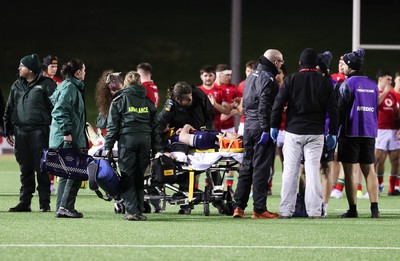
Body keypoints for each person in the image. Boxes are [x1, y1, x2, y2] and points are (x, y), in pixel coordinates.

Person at [270, 48, 339, 218]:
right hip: (316, 133)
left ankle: (286, 210)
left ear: (300, 63)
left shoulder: (292, 79)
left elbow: (278, 104)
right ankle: (315, 211)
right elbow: (334, 110)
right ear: (316, 64)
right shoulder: (325, 82)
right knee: (313, 171)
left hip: (293, 131)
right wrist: (332, 133)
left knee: (290, 171)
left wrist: (273, 125)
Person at [232, 49, 283, 219]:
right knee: (261, 168)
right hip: (261, 128)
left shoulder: (251, 76)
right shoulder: (269, 79)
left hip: (248, 126)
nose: (281, 65)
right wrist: (266, 129)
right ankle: (259, 209)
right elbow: (264, 106)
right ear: (275, 62)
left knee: (246, 167)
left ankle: (238, 206)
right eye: (280, 61)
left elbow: (246, 103)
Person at [3, 54, 57, 212]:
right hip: (20, 132)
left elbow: (58, 107)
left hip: (39, 132)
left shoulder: (47, 84)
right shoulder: (16, 85)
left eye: (22, 66)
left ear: (31, 69)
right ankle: (25, 202)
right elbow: (9, 108)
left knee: (42, 168)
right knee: (25, 168)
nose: (19, 68)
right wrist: (8, 130)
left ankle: (44, 203)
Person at [104, 71, 159, 221]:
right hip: (145, 140)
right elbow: (155, 127)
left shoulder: (119, 100)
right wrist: (157, 148)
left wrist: (107, 146)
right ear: (140, 83)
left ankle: (133, 211)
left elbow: (112, 126)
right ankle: (139, 208)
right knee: (139, 176)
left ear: (126, 83)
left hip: (128, 140)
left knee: (128, 175)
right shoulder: (147, 101)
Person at [156, 81, 215, 214]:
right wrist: (162, 150)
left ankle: (217, 196)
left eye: (190, 97)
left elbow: (210, 114)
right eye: (186, 99)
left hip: (199, 133)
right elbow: (158, 127)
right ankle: (186, 197)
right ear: (177, 99)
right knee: (183, 165)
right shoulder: (170, 106)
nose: (190, 100)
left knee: (213, 162)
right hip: (181, 137)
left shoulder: (199, 95)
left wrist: (206, 131)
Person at [337, 48, 380, 218]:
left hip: (351, 132)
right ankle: (374, 209)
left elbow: (341, 109)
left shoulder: (347, 84)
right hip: (369, 131)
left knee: (349, 172)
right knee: (369, 170)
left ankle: (353, 209)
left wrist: (334, 131)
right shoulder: (372, 84)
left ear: (349, 66)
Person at [49, 58, 88, 218]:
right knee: (74, 172)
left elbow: (53, 100)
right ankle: (66, 207)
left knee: (66, 173)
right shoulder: (71, 87)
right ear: (78, 72)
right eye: (84, 70)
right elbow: (59, 110)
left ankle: (61, 207)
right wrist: (66, 131)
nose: (85, 73)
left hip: (63, 137)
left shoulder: (66, 85)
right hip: (67, 138)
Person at [373, 70, 400, 196]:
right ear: (380, 80)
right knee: (378, 159)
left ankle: (392, 188)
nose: (390, 82)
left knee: (395, 160)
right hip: (380, 130)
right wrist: (385, 92)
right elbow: (375, 104)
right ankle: (377, 185)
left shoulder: (392, 95)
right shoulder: (375, 92)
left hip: (393, 130)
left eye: (390, 79)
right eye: (387, 79)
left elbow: (395, 111)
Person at [198, 65, 231, 132]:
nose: (208, 78)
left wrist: (215, 104)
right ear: (201, 77)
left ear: (215, 77)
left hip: (216, 130)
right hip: (199, 129)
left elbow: (227, 111)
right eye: (205, 75)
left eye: (210, 75)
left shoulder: (221, 91)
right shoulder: (197, 91)